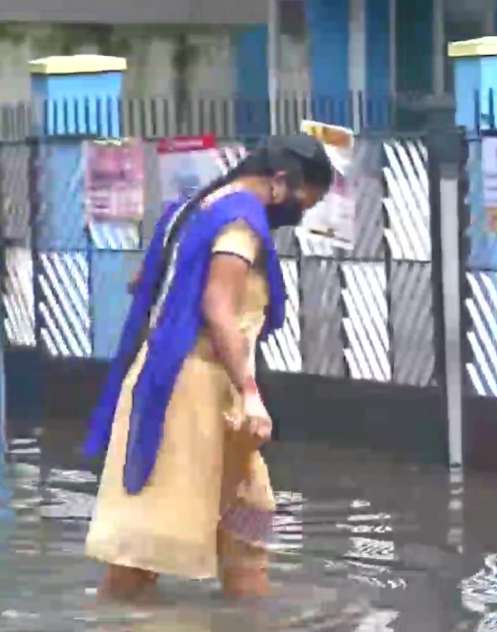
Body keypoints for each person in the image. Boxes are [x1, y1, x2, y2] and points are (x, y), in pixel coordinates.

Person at [83, 135, 334, 601]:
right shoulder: (239, 224)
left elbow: (146, 280)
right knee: (147, 546)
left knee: (248, 528)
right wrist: (252, 391)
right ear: (281, 182)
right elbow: (217, 306)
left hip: (197, 388)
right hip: (188, 396)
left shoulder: (193, 209)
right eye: (304, 201)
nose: (301, 213)